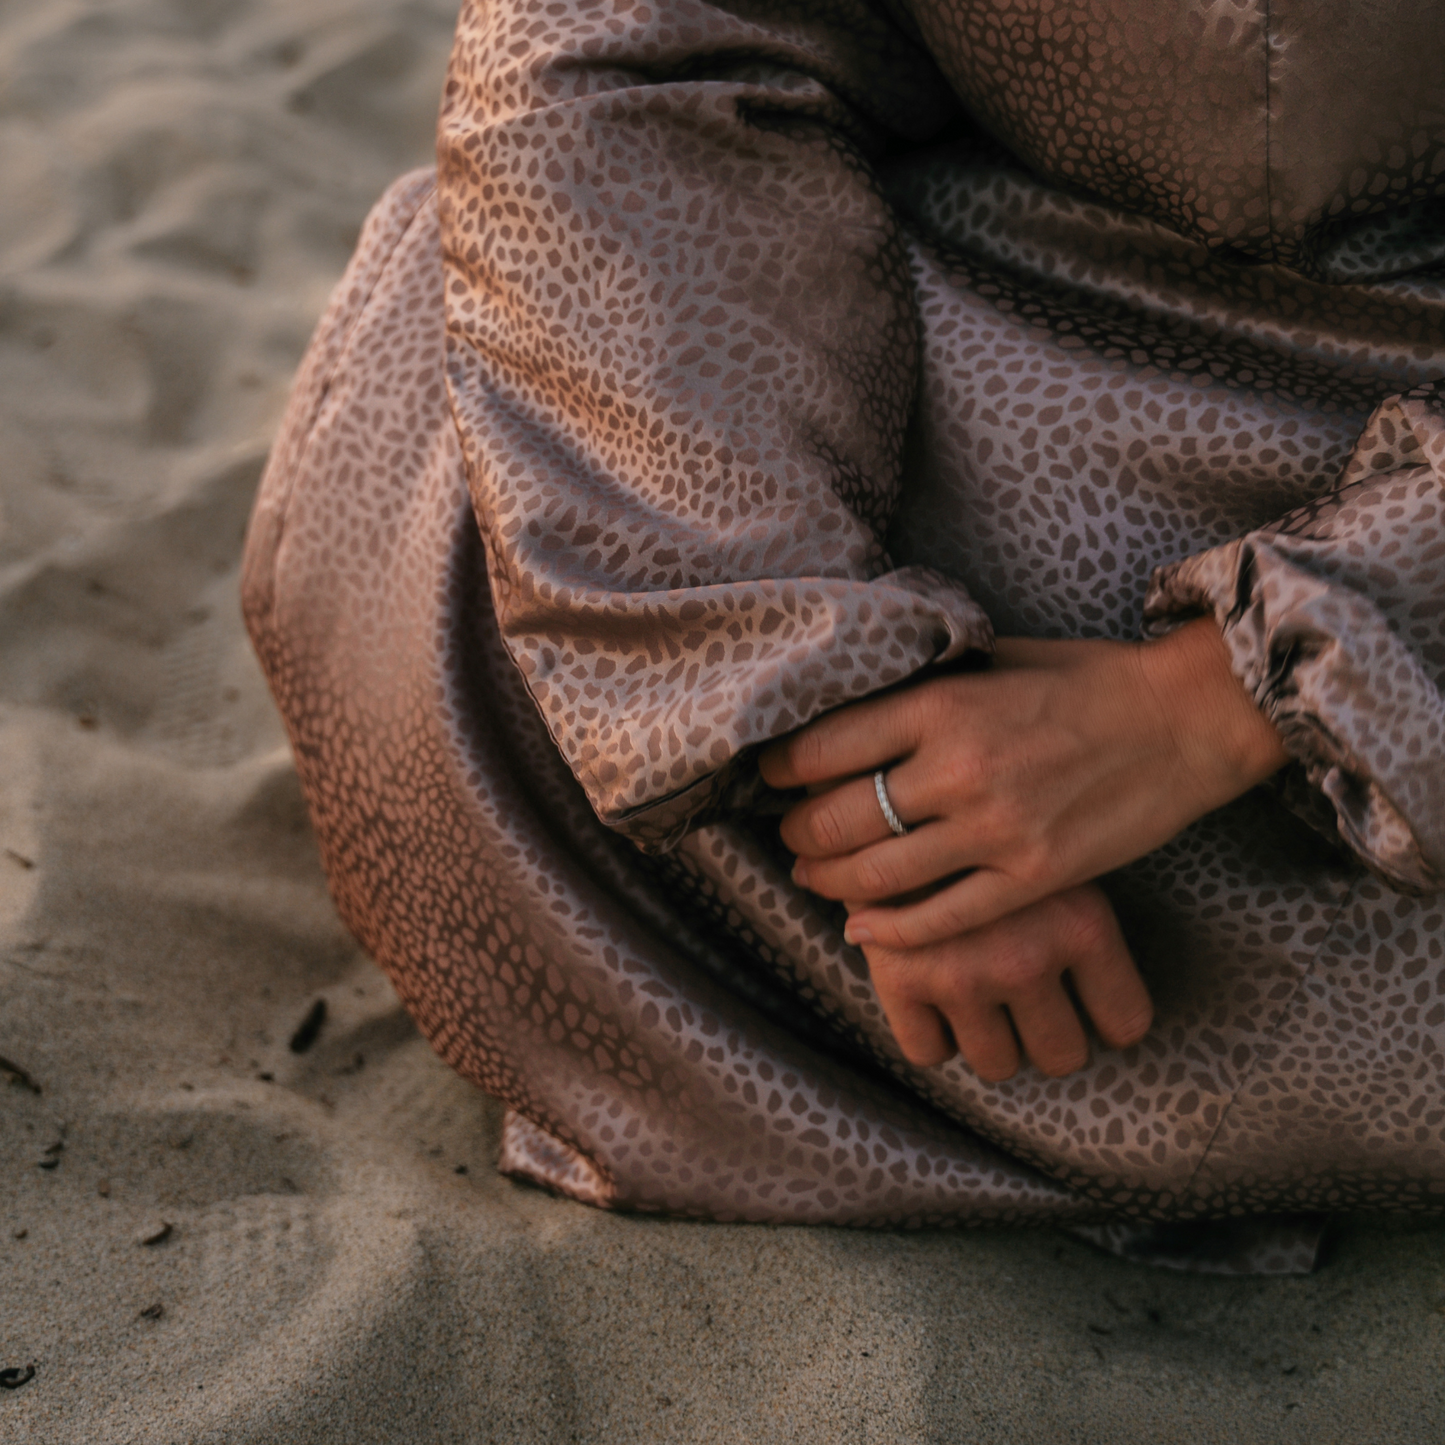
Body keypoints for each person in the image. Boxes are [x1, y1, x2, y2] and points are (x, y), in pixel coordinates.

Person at [243, 0, 1445, 1273]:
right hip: (852, 503)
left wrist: (1212, 703)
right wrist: (819, 702)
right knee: (495, 323)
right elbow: (620, 58)